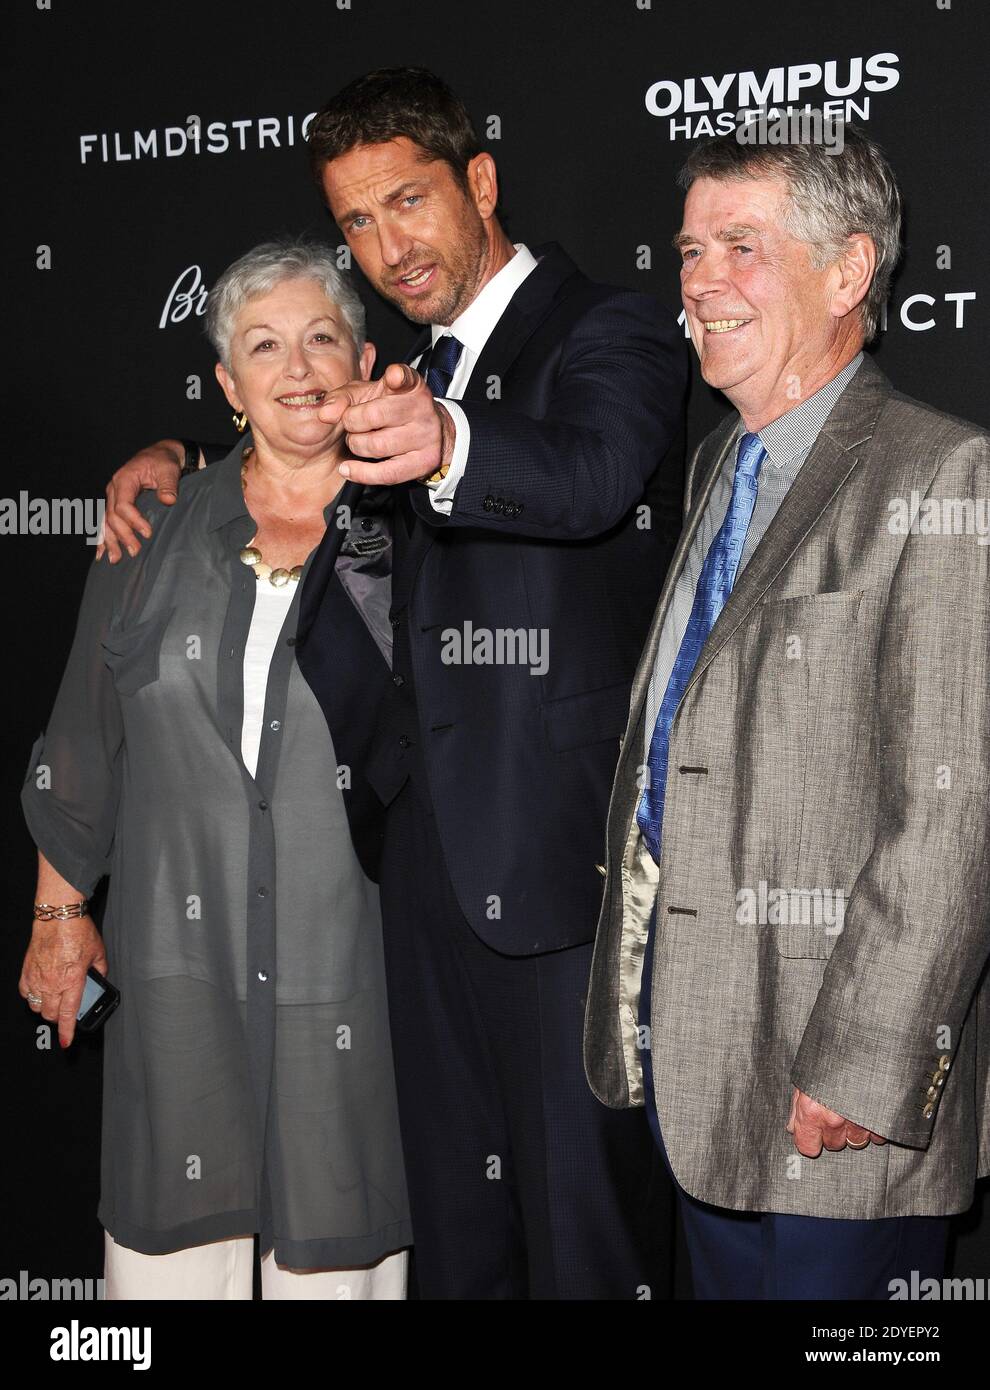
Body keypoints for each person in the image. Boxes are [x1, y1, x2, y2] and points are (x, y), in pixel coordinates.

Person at [97, 67, 687, 1299]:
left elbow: (591, 469)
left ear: (479, 183)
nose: (385, 245)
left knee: (587, 1254)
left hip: (556, 889)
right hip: (411, 902)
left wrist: (455, 443)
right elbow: (300, 450)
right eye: (357, 221)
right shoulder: (413, 370)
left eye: (406, 203)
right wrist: (182, 456)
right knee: (460, 1262)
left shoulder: (606, 327)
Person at [583, 119, 990, 1299]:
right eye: (691, 248)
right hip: (710, 1072)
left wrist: (870, 1062)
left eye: (740, 246)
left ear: (849, 272)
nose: (700, 280)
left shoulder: (945, 476)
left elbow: (955, 811)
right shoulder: (721, 464)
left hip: (838, 1094)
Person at [20, 241, 411, 1300]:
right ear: (229, 387)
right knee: (168, 1264)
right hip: (174, 968)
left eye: (321, 337)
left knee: (341, 1256)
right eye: (263, 346)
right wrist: (59, 920)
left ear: (365, 359)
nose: (297, 366)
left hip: (354, 971)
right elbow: (80, 738)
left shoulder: (418, 531)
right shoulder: (152, 528)